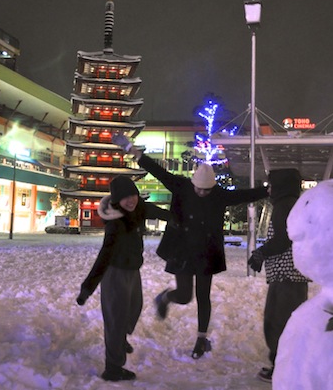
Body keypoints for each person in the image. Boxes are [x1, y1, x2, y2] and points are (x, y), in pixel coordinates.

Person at [113, 134, 269, 359]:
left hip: (207, 253)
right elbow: (157, 170)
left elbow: (244, 196)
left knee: (203, 296)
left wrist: (267, 190)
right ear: (193, 183)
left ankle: (201, 339)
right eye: (199, 189)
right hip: (182, 250)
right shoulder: (181, 186)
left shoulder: (218, 195)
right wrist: (131, 149)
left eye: (207, 190)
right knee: (185, 296)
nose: (202, 193)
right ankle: (165, 298)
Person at [76, 175, 170, 382]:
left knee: (135, 308)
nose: (131, 200)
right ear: (118, 200)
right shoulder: (115, 224)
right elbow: (104, 256)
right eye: (126, 197)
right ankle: (113, 369)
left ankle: (120, 340)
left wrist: (181, 218)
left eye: (133, 195)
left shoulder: (139, 210)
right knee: (116, 321)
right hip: (114, 273)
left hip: (133, 271)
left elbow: (162, 213)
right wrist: (87, 288)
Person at [247, 168, 309, 382]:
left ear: (281, 185)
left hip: (287, 277)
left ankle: (283, 368)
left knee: (278, 323)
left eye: (271, 184)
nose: (269, 188)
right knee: (279, 322)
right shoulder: (291, 204)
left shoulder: (285, 206)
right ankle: (282, 365)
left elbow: (283, 240)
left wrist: (261, 253)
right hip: (289, 276)